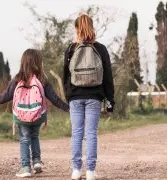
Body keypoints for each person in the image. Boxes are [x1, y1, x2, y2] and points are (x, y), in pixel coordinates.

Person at [0, 49, 69, 178]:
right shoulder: (42, 79)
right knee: (35, 136)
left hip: (22, 116)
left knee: (24, 139)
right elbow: (54, 99)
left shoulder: (18, 79)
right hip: (38, 115)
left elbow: (6, 96)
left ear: (23, 62)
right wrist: (69, 108)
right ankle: (36, 161)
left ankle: (25, 167)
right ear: (39, 62)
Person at [63, 14, 115, 180]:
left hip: (75, 97)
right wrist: (110, 99)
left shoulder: (71, 49)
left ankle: (76, 170)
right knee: (91, 133)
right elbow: (107, 77)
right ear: (92, 27)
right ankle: (91, 172)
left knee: (77, 133)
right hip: (94, 96)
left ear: (77, 29)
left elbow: (65, 76)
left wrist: (68, 95)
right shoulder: (100, 49)